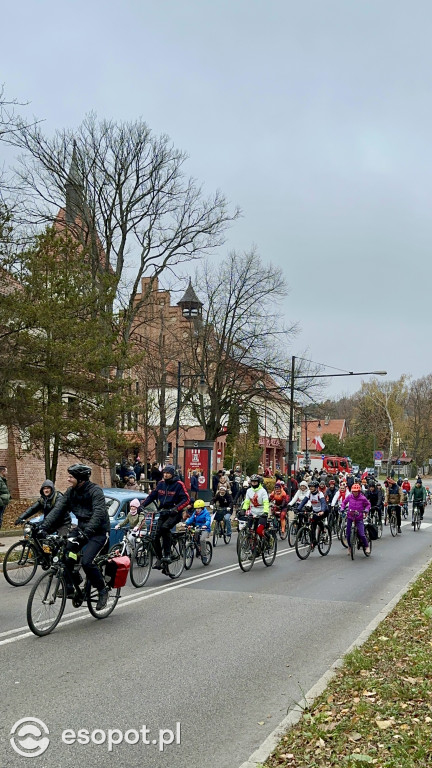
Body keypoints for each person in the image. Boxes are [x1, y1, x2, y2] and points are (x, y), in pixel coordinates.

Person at [38, 464, 111, 609]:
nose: (68, 479)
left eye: (71, 477)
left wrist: (87, 533)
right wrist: (43, 527)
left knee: (87, 562)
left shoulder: (95, 491)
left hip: (98, 532)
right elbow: (58, 510)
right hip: (81, 529)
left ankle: (102, 590)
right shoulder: (71, 492)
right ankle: (71, 585)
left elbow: (98, 514)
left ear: (81, 478)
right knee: (66, 554)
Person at [136, 465, 190, 568]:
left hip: (174, 513)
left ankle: (168, 554)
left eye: (168, 473)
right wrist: (142, 505)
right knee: (154, 535)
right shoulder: (161, 484)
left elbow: (186, 499)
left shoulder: (179, 484)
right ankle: (160, 559)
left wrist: (176, 508)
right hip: (163, 512)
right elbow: (152, 496)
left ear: (172, 474)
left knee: (165, 528)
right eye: (164, 472)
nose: (165, 474)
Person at [340, 483, 371, 555]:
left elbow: (368, 504)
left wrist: (366, 510)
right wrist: (342, 508)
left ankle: (366, 546)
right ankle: (349, 547)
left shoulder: (362, 498)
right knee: (347, 533)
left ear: (359, 491)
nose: (355, 492)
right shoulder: (350, 496)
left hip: (359, 517)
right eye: (353, 491)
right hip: (350, 516)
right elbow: (344, 503)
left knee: (362, 534)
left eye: (356, 491)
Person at [297, 480, 328, 549]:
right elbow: (303, 501)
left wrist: (322, 511)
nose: (310, 488)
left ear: (316, 487)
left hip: (324, 511)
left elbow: (323, 503)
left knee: (316, 520)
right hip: (315, 511)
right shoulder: (309, 493)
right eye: (310, 486)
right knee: (313, 525)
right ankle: (313, 542)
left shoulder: (320, 494)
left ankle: (323, 531)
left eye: (312, 487)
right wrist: (299, 509)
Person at [242, 474, 270, 539]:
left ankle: (268, 538)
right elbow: (247, 502)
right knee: (248, 529)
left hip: (262, 513)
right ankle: (252, 544)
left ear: (258, 482)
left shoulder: (263, 491)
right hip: (253, 512)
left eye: (255, 482)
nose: (254, 483)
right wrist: (243, 509)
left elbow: (266, 502)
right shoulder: (249, 491)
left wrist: (265, 512)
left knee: (259, 531)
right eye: (252, 482)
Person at [0, 465, 11, 546]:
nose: (7, 473)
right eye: (6, 471)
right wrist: (1, 503)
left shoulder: (2, 480)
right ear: (2, 471)